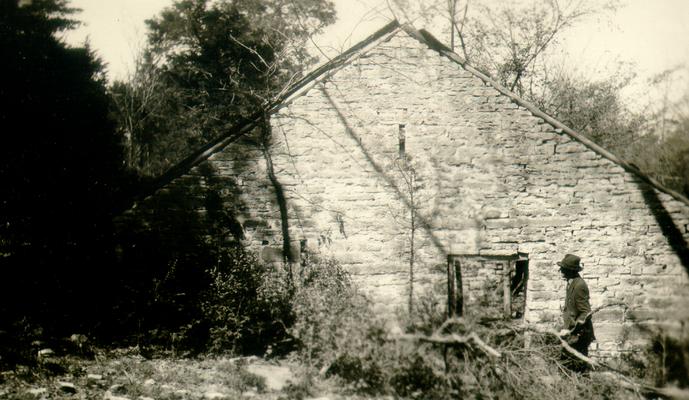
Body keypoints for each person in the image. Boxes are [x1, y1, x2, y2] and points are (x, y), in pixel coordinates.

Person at [557, 254, 595, 371]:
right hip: (571, 334)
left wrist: (571, 330)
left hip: (579, 335)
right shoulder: (571, 283)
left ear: (571, 271)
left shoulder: (579, 286)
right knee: (567, 366)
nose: (560, 270)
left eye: (563, 268)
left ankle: (581, 387)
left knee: (575, 367)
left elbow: (585, 312)